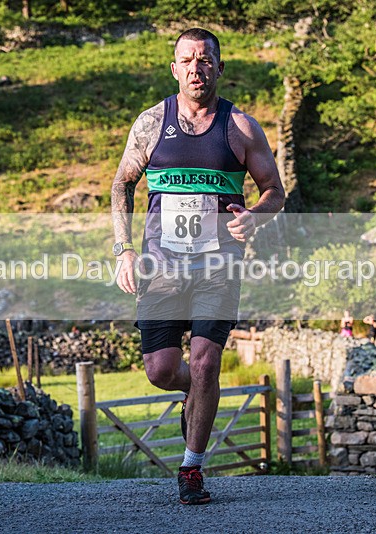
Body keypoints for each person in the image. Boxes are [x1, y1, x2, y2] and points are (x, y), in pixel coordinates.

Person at [111, 28, 284, 505]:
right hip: (161, 267)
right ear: (174, 68)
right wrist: (124, 249)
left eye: (205, 60)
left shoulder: (241, 127)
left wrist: (255, 215)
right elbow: (122, 185)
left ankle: (191, 469)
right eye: (187, 60)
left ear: (219, 68)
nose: (195, 68)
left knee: (206, 363)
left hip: (218, 266)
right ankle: (196, 391)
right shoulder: (151, 124)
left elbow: (275, 191)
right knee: (161, 370)